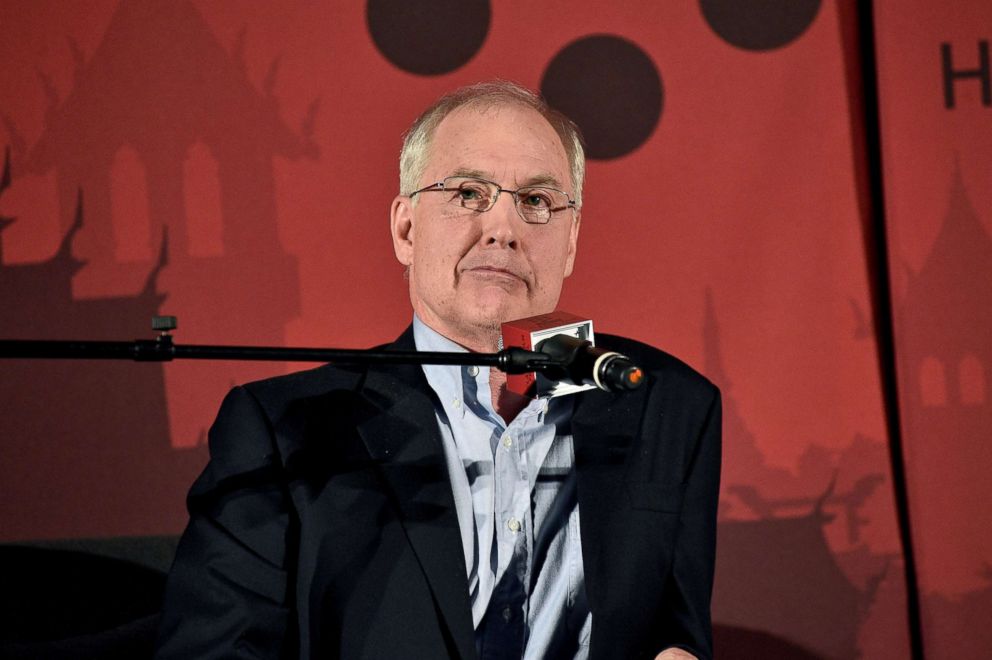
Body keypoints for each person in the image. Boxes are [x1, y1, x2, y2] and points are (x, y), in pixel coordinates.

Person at [155, 81, 721, 660]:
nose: (505, 230)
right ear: (406, 229)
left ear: (571, 242)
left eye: (537, 202)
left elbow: (676, 629)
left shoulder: (665, 403)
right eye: (469, 193)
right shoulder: (286, 430)